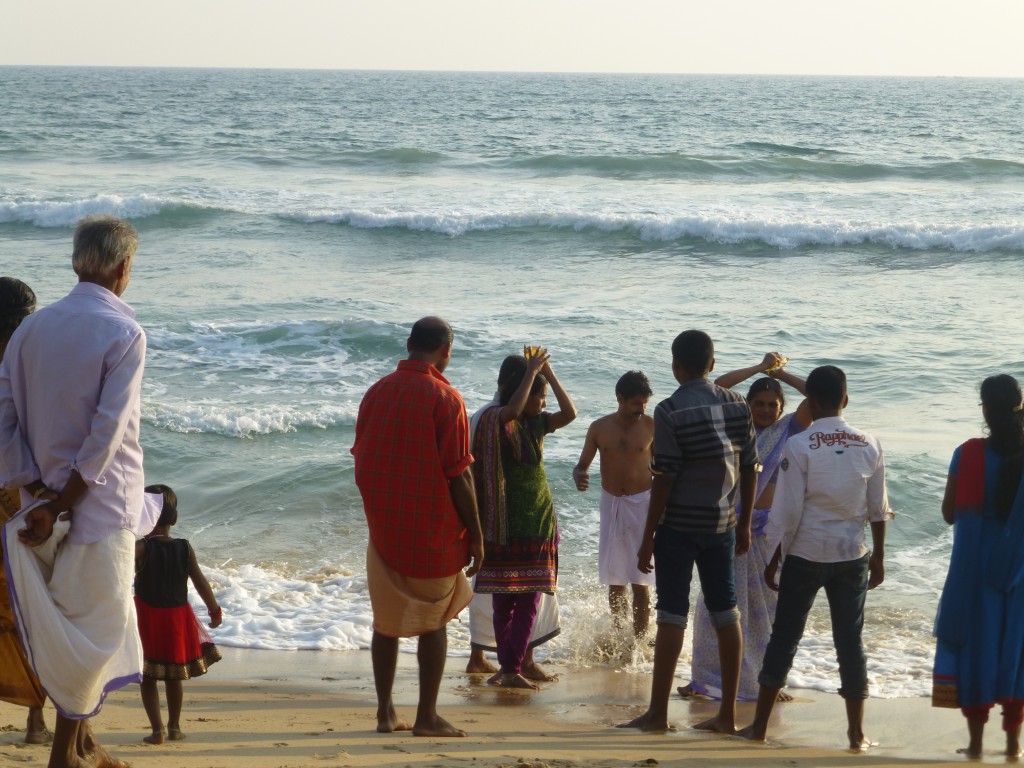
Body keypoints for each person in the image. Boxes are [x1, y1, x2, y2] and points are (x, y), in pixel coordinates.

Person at [0, 216, 153, 768]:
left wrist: (38, 491)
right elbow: (108, 432)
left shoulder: (29, 331)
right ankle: (64, 755)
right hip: (97, 508)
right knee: (96, 631)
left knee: (68, 624)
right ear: (123, 268)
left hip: (35, 506)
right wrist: (63, 501)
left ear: (74, 262)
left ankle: (83, 745)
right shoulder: (124, 333)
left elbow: (5, 418)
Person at [740, 365, 889, 750]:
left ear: (810, 402)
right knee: (850, 643)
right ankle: (856, 734)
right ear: (845, 399)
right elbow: (878, 508)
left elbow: (786, 513)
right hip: (851, 555)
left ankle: (759, 729)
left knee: (785, 637)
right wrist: (879, 558)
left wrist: (773, 558)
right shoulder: (869, 442)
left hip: (805, 555)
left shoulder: (800, 444)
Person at [619, 330, 757, 733]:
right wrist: (745, 523)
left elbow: (664, 478)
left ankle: (657, 714)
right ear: (713, 364)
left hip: (678, 526)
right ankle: (727, 716)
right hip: (724, 525)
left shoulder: (669, 409)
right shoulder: (738, 404)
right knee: (726, 611)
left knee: (671, 614)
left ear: (675, 366)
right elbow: (750, 466)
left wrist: (647, 538)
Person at [351, 316, 483, 737]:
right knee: (435, 622)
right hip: (433, 533)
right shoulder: (447, 399)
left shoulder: (376, 393)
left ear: (409, 344)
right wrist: (478, 533)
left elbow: (362, 459)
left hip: (386, 529)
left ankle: (385, 713)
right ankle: (427, 716)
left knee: (385, 622)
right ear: (446, 350)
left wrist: (378, 511)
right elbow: (459, 475)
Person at [681, 352, 811, 700]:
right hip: (728, 527)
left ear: (782, 408)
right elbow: (716, 387)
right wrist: (757, 368)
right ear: (748, 404)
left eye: (772, 404)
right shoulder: (738, 426)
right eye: (759, 403)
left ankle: (764, 682)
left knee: (764, 612)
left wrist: (780, 374)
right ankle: (706, 680)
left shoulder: (789, 431)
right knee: (714, 606)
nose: (766, 410)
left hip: (768, 535)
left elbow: (816, 396)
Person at [472, 349, 576, 690]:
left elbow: (570, 413)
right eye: (538, 396)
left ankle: (510, 668)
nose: (543, 403)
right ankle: (510, 668)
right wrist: (531, 371)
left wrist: (548, 372)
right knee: (507, 601)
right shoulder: (495, 420)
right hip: (505, 526)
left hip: (538, 522)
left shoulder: (536, 424)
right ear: (520, 389)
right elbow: (512, 409)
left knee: (529, 600)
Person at [932, 374, 1024, 759]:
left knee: (977, 647)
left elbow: (950, 513)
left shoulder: (967, 453)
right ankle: (1014, 745)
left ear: (984, 409)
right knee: (1016, 649)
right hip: (1020, 570)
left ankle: (974, 745)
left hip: (976, 569)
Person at [134, 484, 222, 745]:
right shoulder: (185, 547)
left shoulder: (141, 548)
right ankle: (174, 727)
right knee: (175, 675)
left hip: (147, 617)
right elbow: (201, 582)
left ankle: (157, 730)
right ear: (174, 518)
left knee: (147, 677)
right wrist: (214, 609)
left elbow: (115, 572)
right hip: (177, 619)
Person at [0, 276, 48, 744]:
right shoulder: (30, 365)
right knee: (34, 609)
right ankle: (37, 717)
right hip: (21, 506)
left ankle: (36, 715)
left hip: (16, 503)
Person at [573, 370, 655, 640]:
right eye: (636, 403)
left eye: (644, 402)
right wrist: (580, 476)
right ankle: (620, 636)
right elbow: (582, 465)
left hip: (642, 504)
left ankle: (640, 640)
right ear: (620, 398)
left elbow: (665, 469)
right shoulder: (599, 427)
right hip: (611, 505)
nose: (641, 409)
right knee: (615, 577)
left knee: (641, 579)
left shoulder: (652, 426)